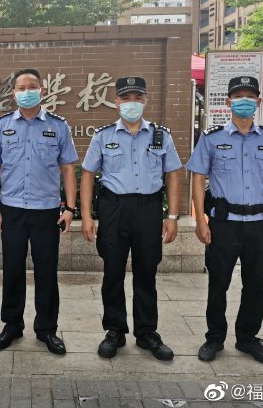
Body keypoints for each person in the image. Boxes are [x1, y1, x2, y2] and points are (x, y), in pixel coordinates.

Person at [187, 75, 263, 367]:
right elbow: (198, 178)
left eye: (250, 97)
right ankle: (214, 338)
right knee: (218, 283)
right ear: (228, 102)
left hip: (258, 224)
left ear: (258, 102)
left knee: (255, 285)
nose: (244, 101)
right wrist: (200, 219)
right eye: (238, 96)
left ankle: (247, 338)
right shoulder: (212, 138)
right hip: (224, 224)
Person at [80, 76, 182, 361]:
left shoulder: (160, 135)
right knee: (112, 271)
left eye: (138, 98)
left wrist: (172, 216)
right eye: (126, 98)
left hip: (149, 209)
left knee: (147, 271)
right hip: (114, 209)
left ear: (145, 100)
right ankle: (114, 330)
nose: (132, 103)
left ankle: (147, 332)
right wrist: (86, 215)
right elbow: (87, 174)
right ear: (117, 102)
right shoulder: (103, 136)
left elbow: (173, 174)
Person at [0, 69, 78, 355]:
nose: (27, 91)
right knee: (12, 270)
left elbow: (67, 169)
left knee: (46, 272)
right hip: (11, 210)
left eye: (32, 86)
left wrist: (70, 208)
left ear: (42, 91)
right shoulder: (0, 126)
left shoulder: (58, 126)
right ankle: (12, 325)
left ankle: (46, 329)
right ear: (13, 93)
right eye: (22, 87)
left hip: (46, 211)